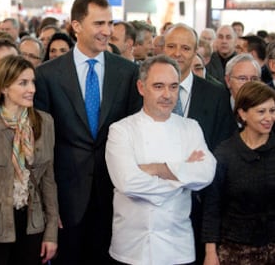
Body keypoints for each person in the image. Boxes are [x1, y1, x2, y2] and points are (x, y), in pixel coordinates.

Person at [34, 0, 142, 265]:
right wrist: (48, 204)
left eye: (110, 23)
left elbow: (135, 132)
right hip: (66, 200)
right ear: (76, 26)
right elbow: (42, 145)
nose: (107, 31)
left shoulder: (127, 72)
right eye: (99, 23)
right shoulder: (47, 74)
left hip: (115, 196)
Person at [106, 55, 216, 264]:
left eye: (173, 87)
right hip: (131, 248)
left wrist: (158, 169)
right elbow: (128, 183)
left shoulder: (190, 127)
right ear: (141, 87)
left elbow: (206, 173)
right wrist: (182, 178)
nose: (167, 95)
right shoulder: (121, 130)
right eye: (158, 86)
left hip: (178, 246)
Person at [0, 55, 58, 265]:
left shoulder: (45, 122)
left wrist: (51, 233)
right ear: (3, 88)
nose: (32, 89)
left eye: (32, 82)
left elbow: (49, 182)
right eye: (23, 83)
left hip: (33, 225)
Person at [164, 23, 237, 264]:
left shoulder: (215, 95)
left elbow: (221, 151)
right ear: (162, 49)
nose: (177, 53)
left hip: (199, 204)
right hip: (153, 203)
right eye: (171, 46)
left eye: (185, 48)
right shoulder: (142, 90)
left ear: (196, 52)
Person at [202, 81, 275, 265]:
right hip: (234, 250)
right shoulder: (225, 153)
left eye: (272, 111)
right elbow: (212, 207)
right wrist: (210, 252)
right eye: (261, 111)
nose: (269, 117)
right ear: (243, 114)